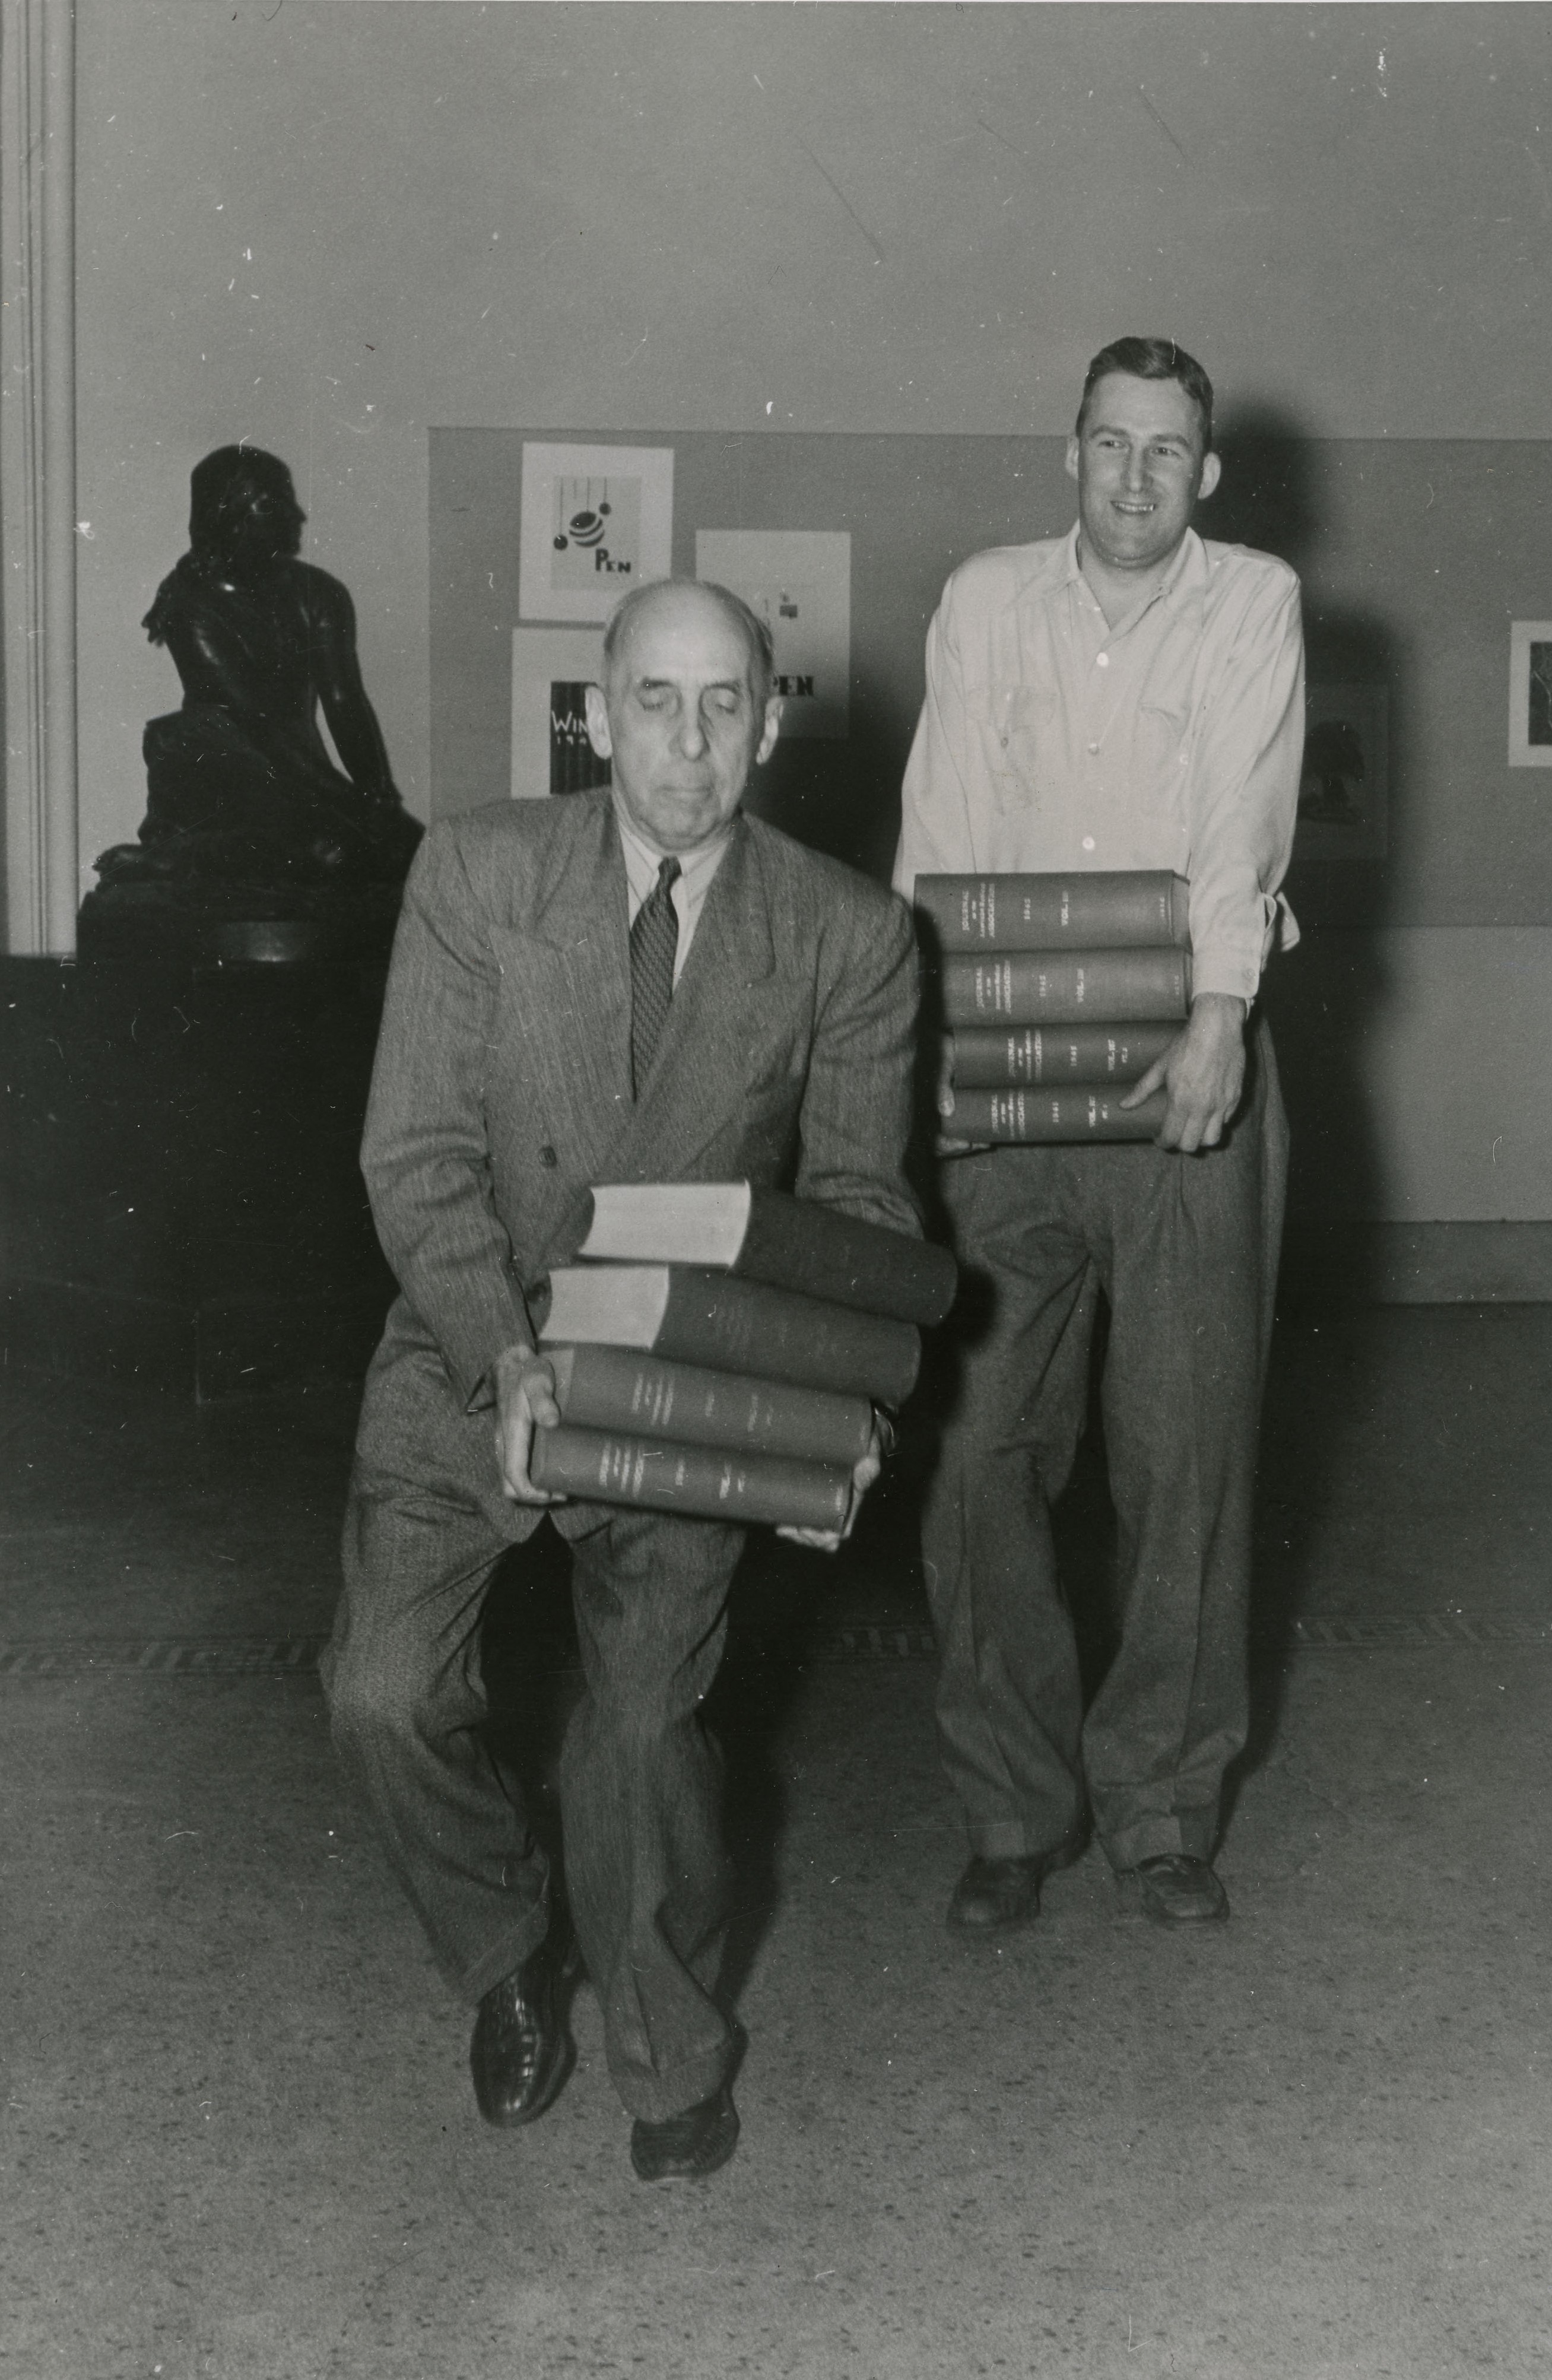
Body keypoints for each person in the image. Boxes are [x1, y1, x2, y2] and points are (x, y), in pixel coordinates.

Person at [323, 579, 919, 2180]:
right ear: (594, 715)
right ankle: (506, 1945)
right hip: (471, 1345)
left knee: (638, 1744)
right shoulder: (474, 872)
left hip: (681, 1383)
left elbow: (862, 1219)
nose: (688, 741)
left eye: (723, 702)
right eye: (653, 700)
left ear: (770, 720)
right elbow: (416, 1156)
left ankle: (669, 2054)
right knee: (379, 1693)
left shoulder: (850, 934)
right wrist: (502, 1357)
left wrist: (825, 1419)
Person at [894, 336, 1303, 1938]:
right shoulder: (985, 599)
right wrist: (915, 1040)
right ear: (1067, 450)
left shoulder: (1247, 601)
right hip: (994, 1076)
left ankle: (1158, 1804)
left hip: (1185, 1068)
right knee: (970, 1449)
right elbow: (936, 828)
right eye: (1107, 444)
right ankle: (1010, 1802)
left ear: (1204, 473)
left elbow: (1237, 825)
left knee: (1183, 1453)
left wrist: (1215, 1019)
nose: (1132, 478)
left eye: (1166, 452)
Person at [99, 443, 420, 887]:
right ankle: (175, 857)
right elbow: (255, 723)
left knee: (409, 855)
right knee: (331, 858)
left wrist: (377, 795)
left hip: (298, 771)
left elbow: (345, 701)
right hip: (227, 772)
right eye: (273, 504)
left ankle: (183, 861)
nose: (297, 514)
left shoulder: (319, 594)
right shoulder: (192, 605)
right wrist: (349, 804)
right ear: (228, 518)